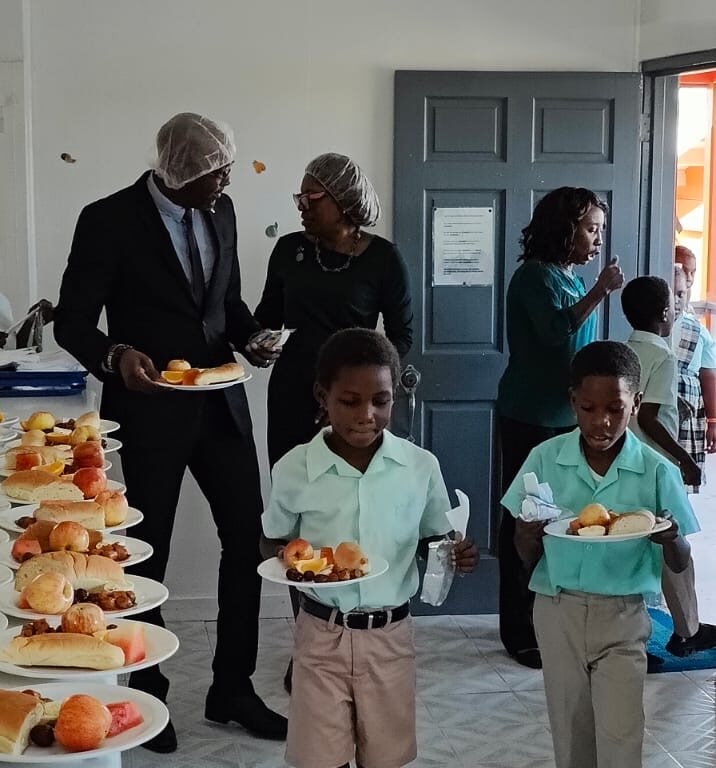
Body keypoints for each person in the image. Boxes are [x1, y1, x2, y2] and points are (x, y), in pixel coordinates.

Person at [53, 112, 285, 753]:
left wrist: (252, 338)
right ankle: (146, 690)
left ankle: (232, 688)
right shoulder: (107, 219)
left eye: (228, 170)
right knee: (145, 554)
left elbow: (226, 306)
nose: (226, 181)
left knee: (247, 542)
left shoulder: (222, 210)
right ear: (178, 172)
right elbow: (72, 322)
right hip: (149, 412)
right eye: (217, 172)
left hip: (223, 406)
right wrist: (116, 355)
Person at [261, 328, 477, 768]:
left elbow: (434, 539)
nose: (366, 415)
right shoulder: (295, 468)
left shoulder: (419, 467)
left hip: (390, 637)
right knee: (320, 759)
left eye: (381, 401)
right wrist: (285, 556)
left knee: (385, 757)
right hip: (320, 633)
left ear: (395, 395)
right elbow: (272, 538)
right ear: (322, 396)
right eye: (349, 401)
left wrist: (454, 553)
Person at [505, 341, 698, 768]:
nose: (602, 421)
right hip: (559, 609)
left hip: (624, 614)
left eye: (615, 408)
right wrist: (526, 534)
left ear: (636, 404)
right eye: (588, 408)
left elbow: (680, 559)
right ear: (573, 402)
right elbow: (525, 554)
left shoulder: (657, 470)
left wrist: (672, 538)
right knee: (570, 728)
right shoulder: (544, 459)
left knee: (621, 732)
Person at [496, 186, 624, 668]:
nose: (598, 240)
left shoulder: (571, 277)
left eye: (600, 230)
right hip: (530, 415)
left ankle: (551, 621)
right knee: (524, 517)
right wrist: (600, 291)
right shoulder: (534, 276)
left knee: (564, 518)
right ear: (565, 229)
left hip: (569, 417)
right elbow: (554, 331)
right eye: (591, 229)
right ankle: (517, 629)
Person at [253, 152, 413, 468]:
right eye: (299, 198)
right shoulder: (288, 250)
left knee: (348, 488)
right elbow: (266, 319)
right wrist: (256, 341)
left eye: (311, 197)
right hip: (292, 393)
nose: (301, 206)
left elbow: (402, 336)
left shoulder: (384, 259)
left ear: (343, 201)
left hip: (352, 398)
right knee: (291, 483)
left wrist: (364, 392)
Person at [622, 276, 716, 662]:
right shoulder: (663, 356)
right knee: (675, 549)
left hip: (626, 461)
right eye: (674, 304)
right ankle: (686, 631)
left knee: (636, 549)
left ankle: (675, 629)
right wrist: (685, 459)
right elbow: (649, 416)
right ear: (666, 312)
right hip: (656, 467)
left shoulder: (625, 351)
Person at [673, 250, 716, 489]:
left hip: (689, 409)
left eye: (693, 272)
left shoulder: (697, 327)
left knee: (684, 476)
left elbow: (708, 374)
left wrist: (713, 419)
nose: (688, 277)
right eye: (683, 269)